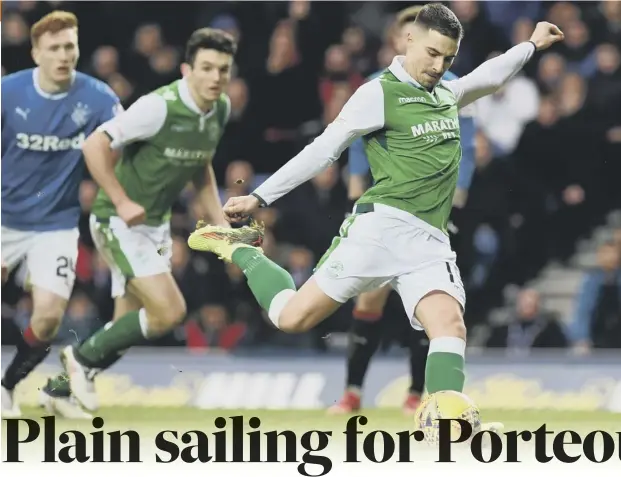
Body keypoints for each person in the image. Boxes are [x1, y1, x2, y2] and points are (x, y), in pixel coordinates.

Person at [188, 4, 563, 430]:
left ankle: (448, 422)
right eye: (433, 54)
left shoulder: (447, 94)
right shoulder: (377, 93)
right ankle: (243, 251)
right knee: (290, 317)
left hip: (429, 243)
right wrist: (260, 196)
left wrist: (531, 45)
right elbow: (323, 150)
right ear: (409, 41)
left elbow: (490, 75)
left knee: (450, 325)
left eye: (449, 59)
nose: (439, 66)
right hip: (378, 232)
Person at [50, 27, 264, 413]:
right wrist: (120, 198)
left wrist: (222, 230)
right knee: (169, 312)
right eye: (207, 68)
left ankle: (58, 389)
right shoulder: (159, 107)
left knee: (124, 327)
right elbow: (94, 145)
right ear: (187, 69)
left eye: (223, 70)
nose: (216, 77)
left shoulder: (220, 109)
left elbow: (201, 169)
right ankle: (78, 362)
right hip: (119, 221)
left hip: (156, 226)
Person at [330, 5, 477, 415]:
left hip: (434, 213)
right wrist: (355, 199)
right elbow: (358, 150)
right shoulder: (377, 87)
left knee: (433, 303)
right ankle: (353, 392)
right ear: (400, 41)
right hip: (382, 211)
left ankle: (418, 394)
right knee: (369, 301)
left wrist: (454, 203)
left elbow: (469, 150)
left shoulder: (455, 89)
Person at [1, 11, 123, 419]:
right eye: (54, 47)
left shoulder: (100, 98)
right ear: (36, 53)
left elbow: (122, 152)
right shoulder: (8, 93)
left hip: (55, 224)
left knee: (50, 318)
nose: (63, 54)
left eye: (69, 45)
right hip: (3, 217)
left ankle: (8, 386)